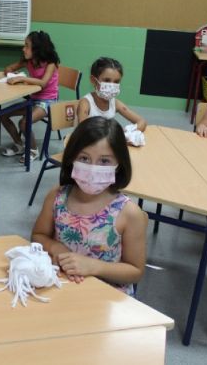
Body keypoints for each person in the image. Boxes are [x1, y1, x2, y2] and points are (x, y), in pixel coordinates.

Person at [31, 117, 147, 296]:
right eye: (84, 158)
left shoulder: (129, 213)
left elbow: (135, 271)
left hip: (106, 297)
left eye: (104, 161)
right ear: (72, 158)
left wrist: (94, 266)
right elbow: (38, 235)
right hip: (61, 288)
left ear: (118, 165)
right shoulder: (57, 197)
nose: (92, 169)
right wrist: (55, 248)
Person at [0, 31, 60, 163]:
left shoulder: (50, 63)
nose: (23, 49)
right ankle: (19, 145)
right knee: (2, 115)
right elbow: (8, 68)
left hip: (48, 101)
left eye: (27, 46)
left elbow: (43, 83)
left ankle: (33, 150)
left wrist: (22, 78)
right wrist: (12, 73)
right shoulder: (29, 61)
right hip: (33, 100)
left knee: (24, 122)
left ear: (37, 49)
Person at [77, 57, 147, 131]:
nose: (112, 86)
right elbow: (83, 131)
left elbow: (142, 122)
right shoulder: (85, 103)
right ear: (93, 80)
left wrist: (126, 132)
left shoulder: (114, 103)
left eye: (116, 81)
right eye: (107, 80)